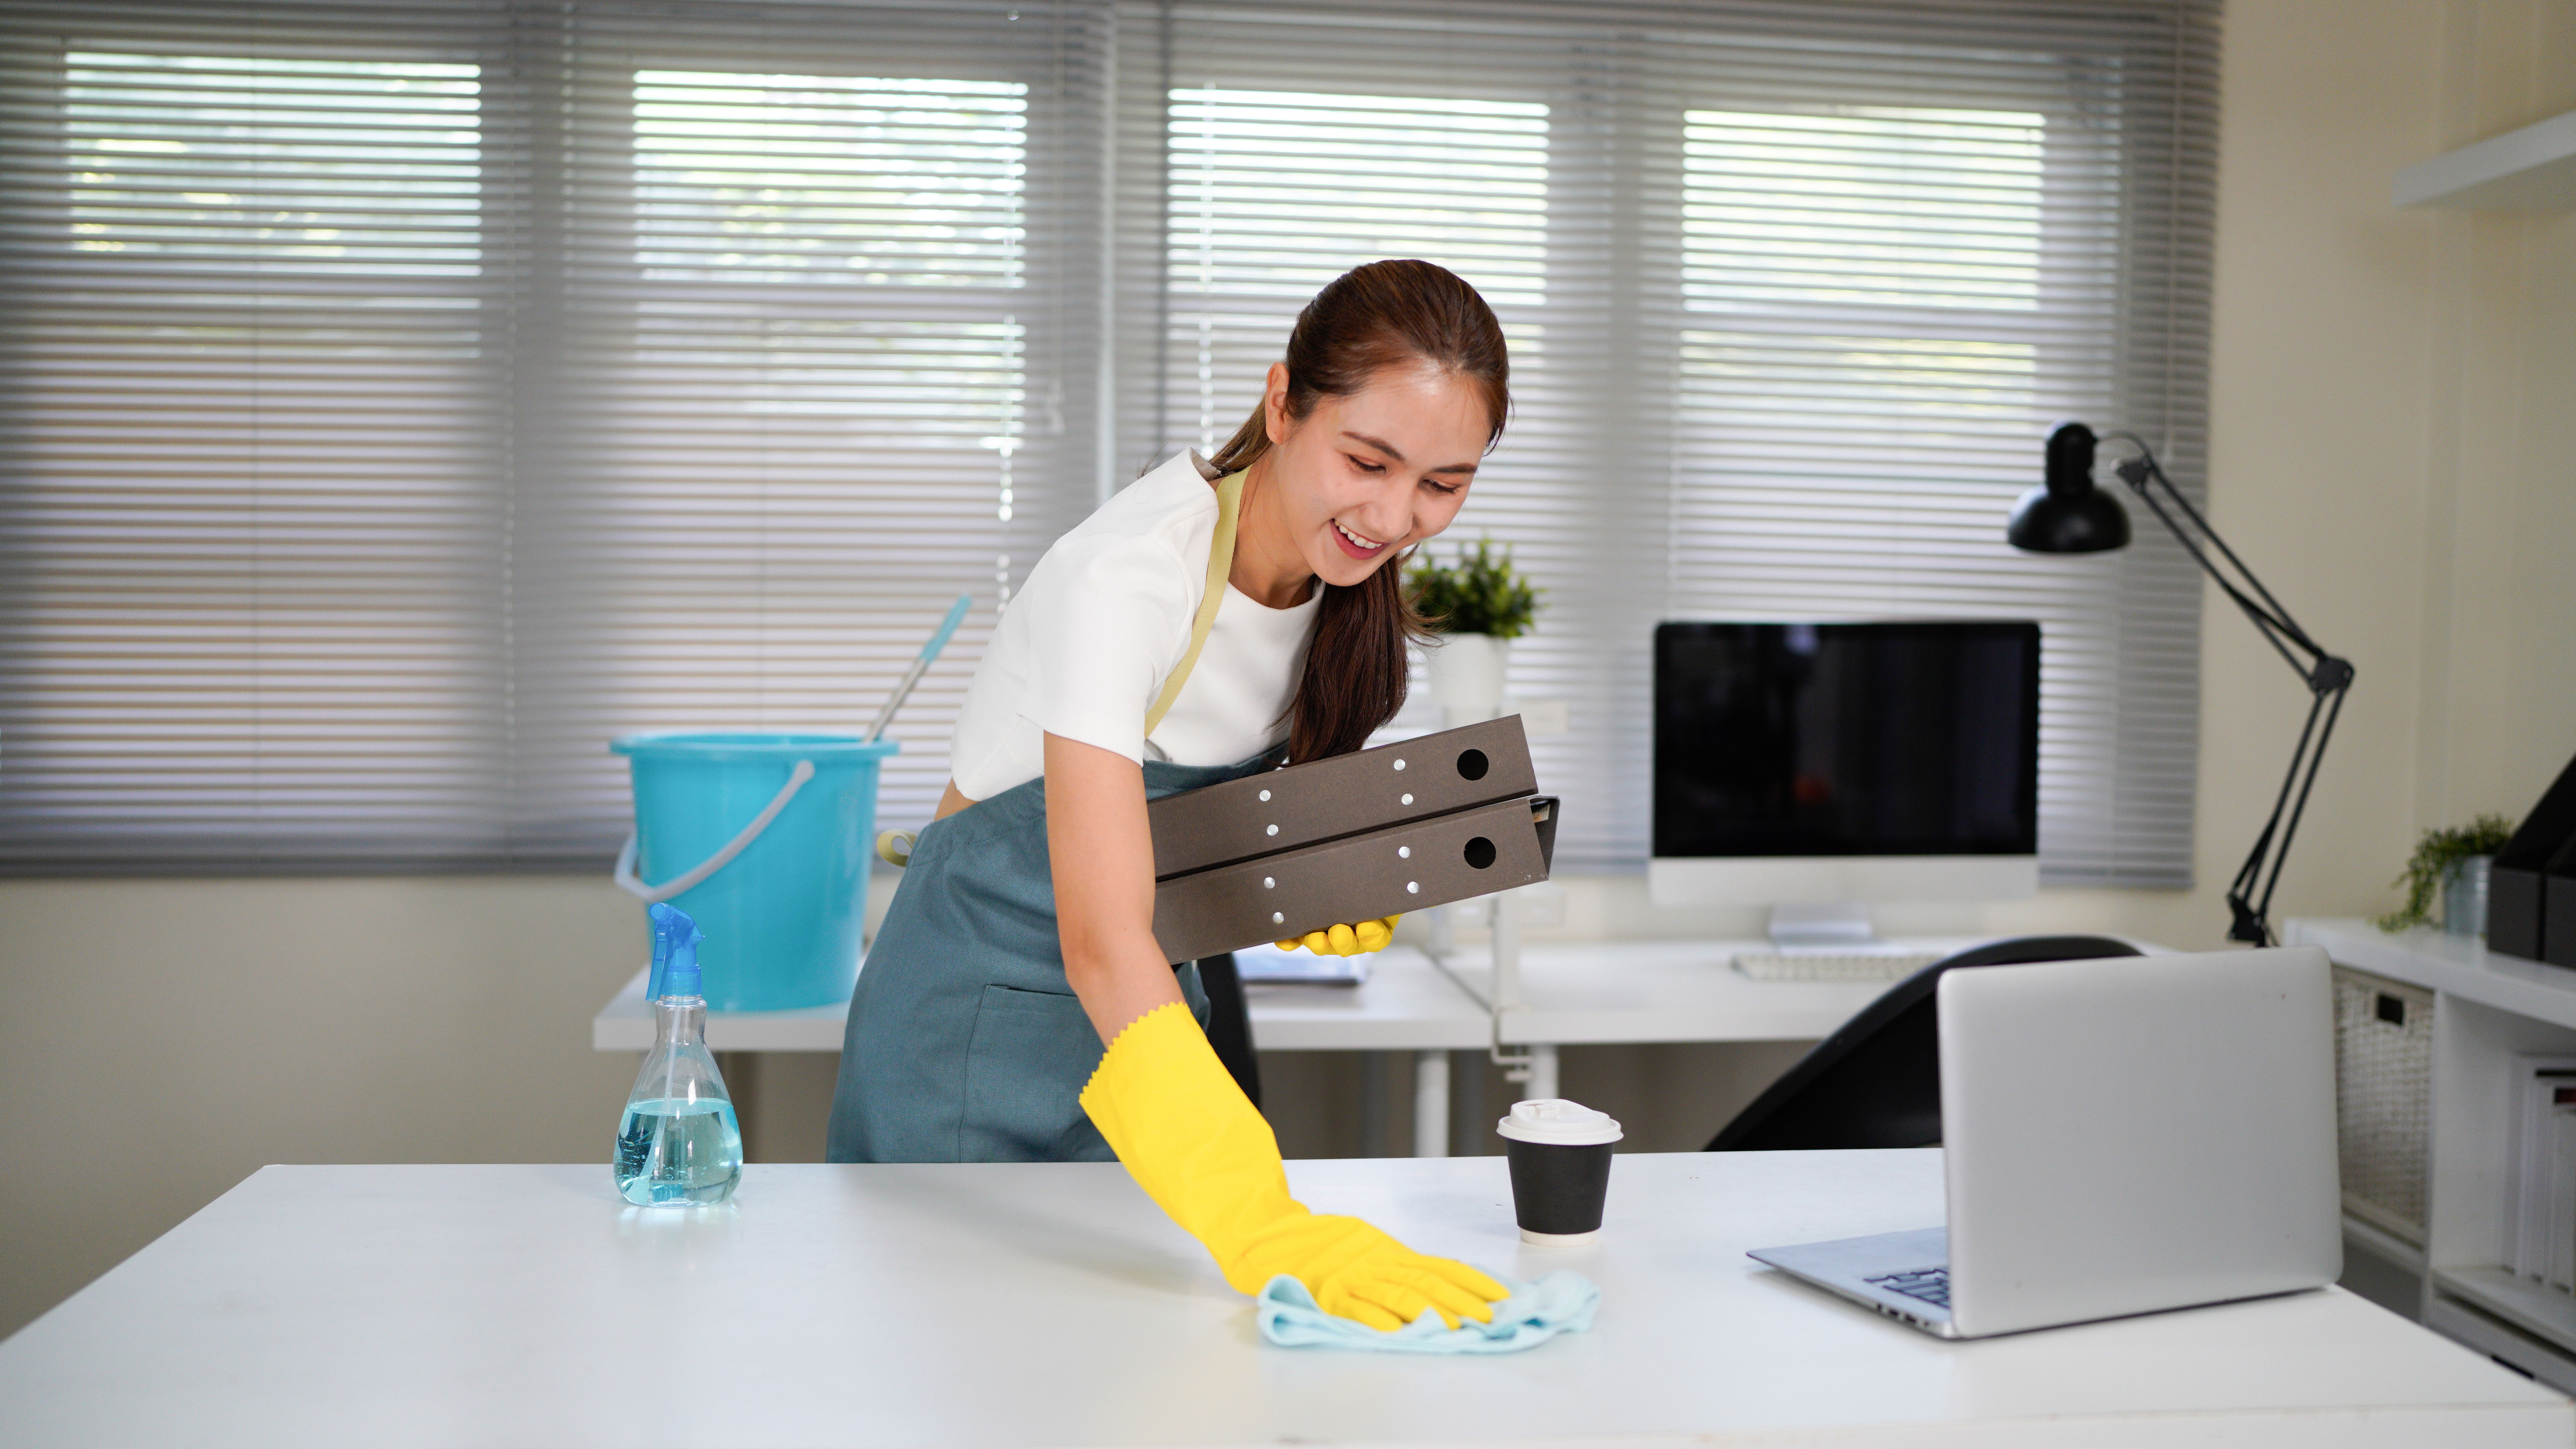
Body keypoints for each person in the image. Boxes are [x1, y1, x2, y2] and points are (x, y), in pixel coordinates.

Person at [827, 259, 1511, 1331]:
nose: (1394, 517)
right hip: (967, 1040)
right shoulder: (1127, 579)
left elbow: (1167, 853)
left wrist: (1300, 881)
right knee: (963, 1366)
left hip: (1145, 1039)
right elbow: (1100, 936)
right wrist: (1261, 1216)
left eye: (1443, 483)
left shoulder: (1336, 591)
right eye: (1368, 462)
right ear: (1284, 403)